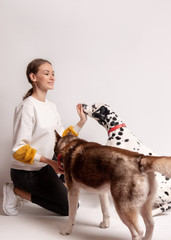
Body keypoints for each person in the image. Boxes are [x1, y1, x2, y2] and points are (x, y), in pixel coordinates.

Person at [3, 58, 87, 216]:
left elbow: (61, 136)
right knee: (69, 209)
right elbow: (19, 149)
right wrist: (50, 162)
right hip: (27, 172)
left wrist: (81, 122)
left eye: (53, 74)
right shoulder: (27, 107)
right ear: (33, 77)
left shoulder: (51, 106)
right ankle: (16, 191)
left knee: (72, 173)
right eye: (46, 73)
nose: (52, 77)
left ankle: (58, 185)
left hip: (46, 167)